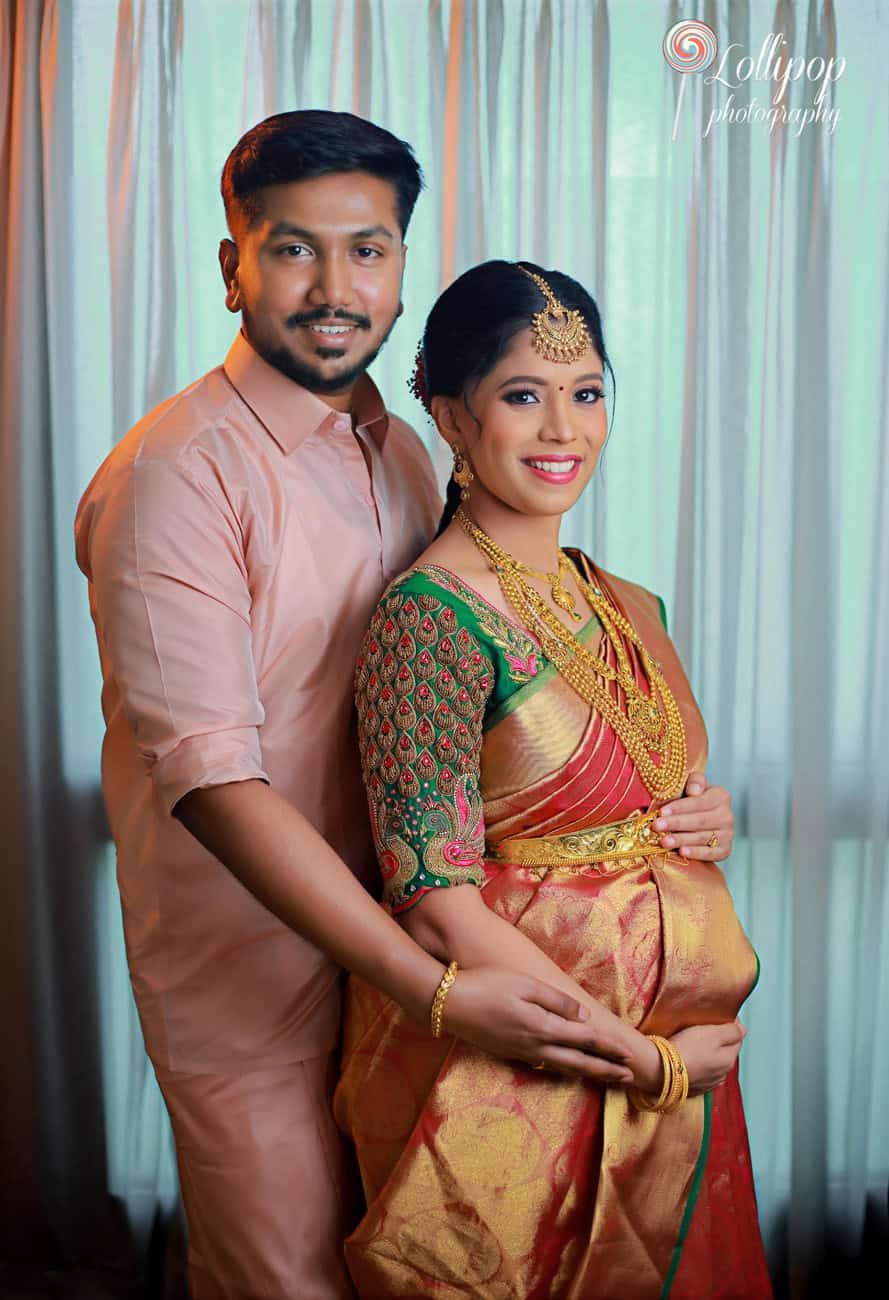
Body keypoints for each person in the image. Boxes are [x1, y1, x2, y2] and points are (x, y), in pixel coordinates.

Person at [74, 113, 641, 1300]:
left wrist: (663, 804)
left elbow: (484, 676)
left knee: (422, 1274)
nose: (335, 288)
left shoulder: (404, 447)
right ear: (231, 267)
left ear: (399, 268)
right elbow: (213, 784)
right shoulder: (174, 476)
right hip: (263, 979)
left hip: (424, 948)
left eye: (369, 250)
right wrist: (430, 982)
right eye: (292, 249)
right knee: (286, 1280)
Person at [335, 260, 773, 1298]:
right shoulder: (429, 619)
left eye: (585, 394)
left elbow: (632, 789)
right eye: (522, 396)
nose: (561, 430)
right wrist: (635, 1059)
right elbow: (433, 900)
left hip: (672, 1046)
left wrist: (704, 815)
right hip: (527, 1063)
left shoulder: (627, 602)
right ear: (449, 414)